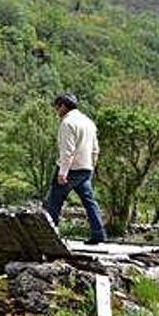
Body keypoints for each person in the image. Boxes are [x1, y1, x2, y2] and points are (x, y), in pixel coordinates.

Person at [45, 93, 107, 244]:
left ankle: (50, 237)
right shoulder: (88, 122)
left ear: (63, 107)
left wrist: (62, 172)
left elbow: (68, 151)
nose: (56, 111)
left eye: (57, 107)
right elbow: (95, 149)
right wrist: (92, 166)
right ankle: (98, 233)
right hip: (86, 168)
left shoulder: (67, 123)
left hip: (70, 169)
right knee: (89, 202)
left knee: (54, 202)